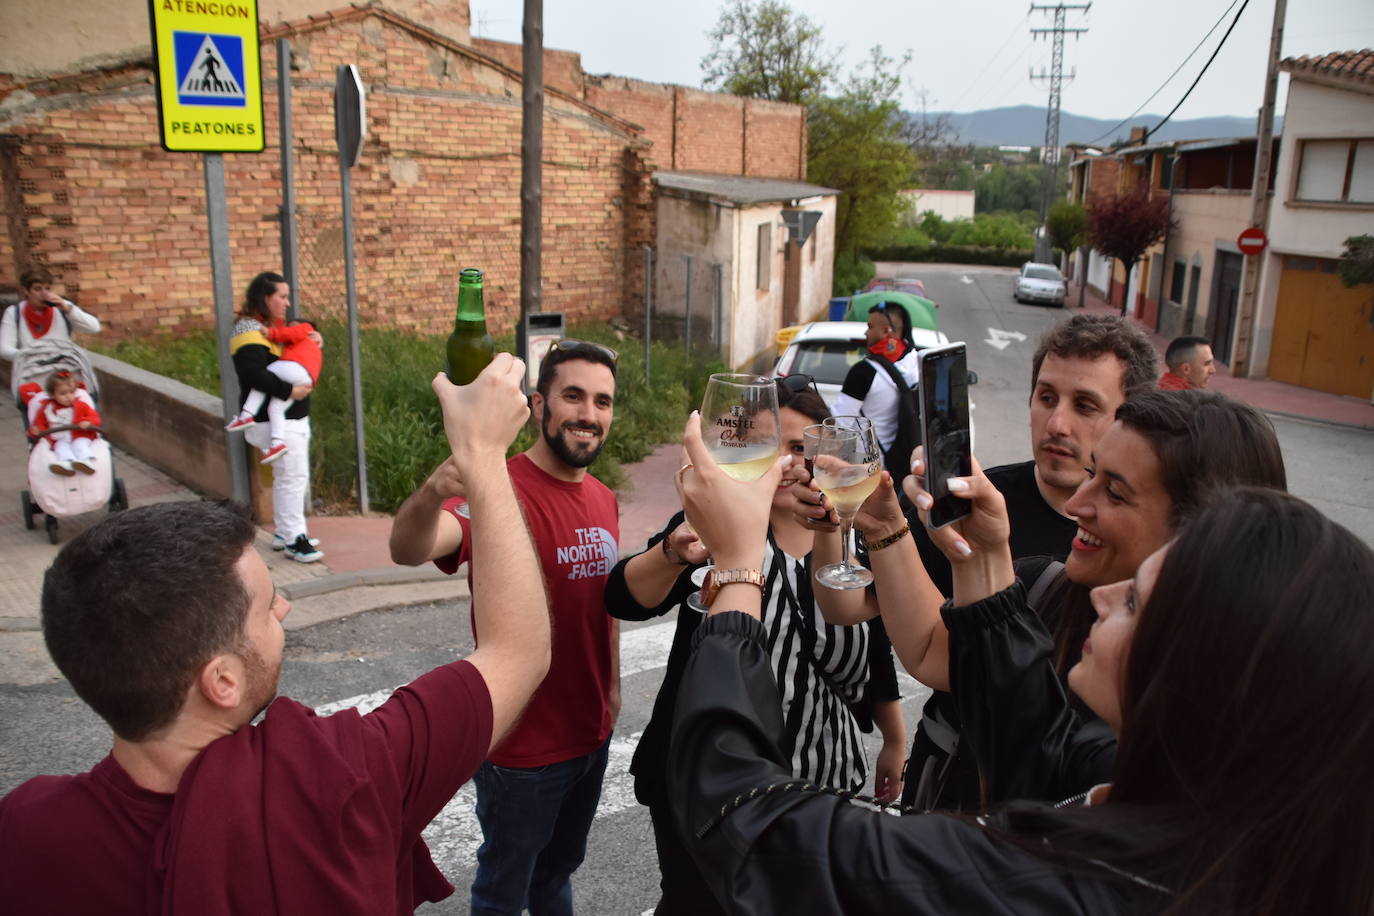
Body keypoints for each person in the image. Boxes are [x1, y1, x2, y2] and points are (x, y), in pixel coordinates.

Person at [670, 418, 1374, 914]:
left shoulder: (1058, 884)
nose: (1100, 601)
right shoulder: (1192, 810)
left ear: (1208, 658)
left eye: (1134, 600)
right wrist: (909, 533)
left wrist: (737, 572)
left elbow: (750, 823)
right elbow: (1033, 732)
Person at [0, 355, 555, 914]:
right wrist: (484, 454)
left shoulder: (26, 832)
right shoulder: (341, 775)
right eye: (267, 607)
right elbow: (519, 651)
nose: (285, 608)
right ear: (222, 681)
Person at [807, 389, 1287, 809]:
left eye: (1114, 492)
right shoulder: (1049, 586)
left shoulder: (1214, 754)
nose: (1078, 504)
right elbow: (939, 656)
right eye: (1045, 396)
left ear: (1211, 531)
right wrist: (890, 527)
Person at [810, 313, 1158, 810]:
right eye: (1046, 397)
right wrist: (837, 525)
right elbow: (861, 615)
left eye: (1085, 405)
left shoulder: (1147, 551)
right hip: (954, 789)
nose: (1057, 423)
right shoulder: (973, 501)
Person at [604, 378, 905, 915]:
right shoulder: (719, 523)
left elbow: (874, 651)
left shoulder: (852, 537)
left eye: (799, 448)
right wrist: (674, 552)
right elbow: (624, 599)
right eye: (771, 446)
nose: (787, 464)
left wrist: (894, 739)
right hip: (702, 780)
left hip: (819, 777)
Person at [390, 339, 621, 916]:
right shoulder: (499, 488)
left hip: (590, 736)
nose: (589, 414)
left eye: (602, 401)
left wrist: (612, 692)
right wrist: (432, 492)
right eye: (573, 396)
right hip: (522, 752)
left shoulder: (604, 498)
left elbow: (605, 604)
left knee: (556, 876)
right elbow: (409, 547)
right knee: (502, 890)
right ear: (539, 405)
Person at [230, 271, 323, 561]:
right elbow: (251, 374)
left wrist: (315, 338)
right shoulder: (249, 330)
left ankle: (284, 532)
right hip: (274, 422)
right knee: (293, 478)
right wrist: (289, 391)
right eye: (281, 297)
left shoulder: (269, 328)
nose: (286, 303)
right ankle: (297, 540)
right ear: (264, 298)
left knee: (289, 477)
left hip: (283, 420)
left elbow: (295, 349)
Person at [833, 301, 919, 481]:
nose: (866, 332)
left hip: (869, 470)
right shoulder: (917, 362)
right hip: (907, 463)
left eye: (870, 326)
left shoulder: (864, 372)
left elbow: (840, 423)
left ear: (887, 331)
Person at [225, 316, 323, 466]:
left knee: (264, 374)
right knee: (275, 408)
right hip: (304, 378)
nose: (289, 329)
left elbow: (288, 334)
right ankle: (277, 443)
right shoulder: (308, 344)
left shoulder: (304, 330)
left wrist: (269, 332)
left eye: (292, 326)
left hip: (296, 368)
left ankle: (247, 414)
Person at [1, 266, 101, 406]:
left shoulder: (62, 309)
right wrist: (32, 355)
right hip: (34, 380)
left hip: (66, 382)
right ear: (26, 291)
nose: (43, 294)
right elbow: (4, 348)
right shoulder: (14, 313)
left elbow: (94, 327)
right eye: (37, 289)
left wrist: (68, 309)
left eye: (47, 289)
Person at [28, 369, 101, 476]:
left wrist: (87, 422)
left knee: (79, 445)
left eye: (71, 392)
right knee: (60, 447)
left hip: (80, 435)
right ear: (52, 395)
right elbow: (40, 423)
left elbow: (95, 417)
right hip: (60, 438)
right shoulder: (47, 408)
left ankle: (85, 462)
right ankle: (65, 465)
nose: (68, 396)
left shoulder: (81, 405)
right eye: (63, 393)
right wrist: (36, 430)